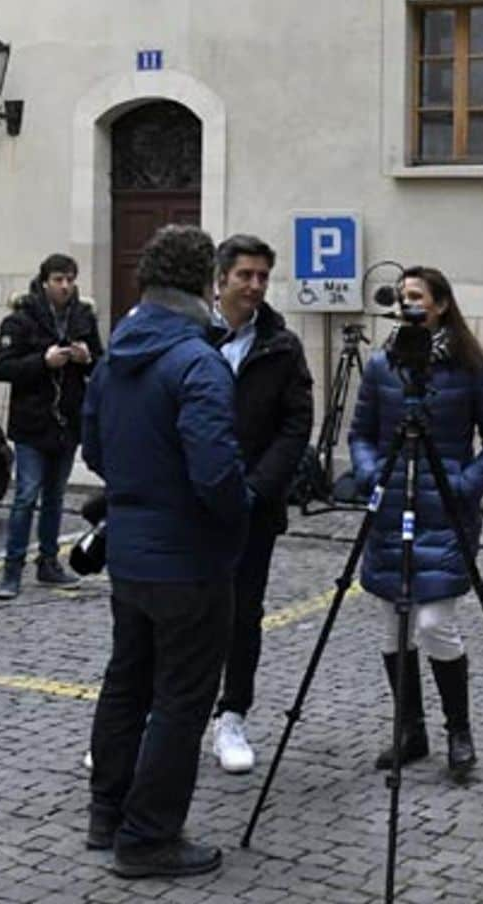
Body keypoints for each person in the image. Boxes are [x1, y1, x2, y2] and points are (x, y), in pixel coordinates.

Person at [81, 224, 248, 879]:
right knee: (181, 699)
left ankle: (108, 813)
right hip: (188, 558)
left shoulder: (117, 353)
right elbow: (214, 473)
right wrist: (240, 514)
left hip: (132, 552)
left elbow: (94, 450)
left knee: (127, 684)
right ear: (204, 282)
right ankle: (147, 837)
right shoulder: (197, 360)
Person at [349, 265, 483, 783]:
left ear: (441, 304)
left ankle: (458, 729)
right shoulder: (382, 366)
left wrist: (464, 484)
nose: (407, 305)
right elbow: (360, 434)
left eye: (417, 296)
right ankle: (409, 729)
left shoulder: (470, 368)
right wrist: (374, 474)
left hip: (446, 511)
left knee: (436, 622)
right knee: (395, 623)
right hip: (392, 509)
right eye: (402, 297)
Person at [206, 234, 314, 775]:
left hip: (253, 508)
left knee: (243, 614)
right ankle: (156, 712)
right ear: (220, 278)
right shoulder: (189, 335)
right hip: (192, 506)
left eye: (263, 277)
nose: (254, 286)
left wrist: (258, 487)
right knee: (176, 612)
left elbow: (297, 425)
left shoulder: (281, 345)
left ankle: (232, 714)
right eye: (245, 275)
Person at [0, 253, 102, 599]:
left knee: (55, 496)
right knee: (25, 496)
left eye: (70, 279)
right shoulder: (21, 319)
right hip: (31, 422)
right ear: (44, 282)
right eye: (58, 279)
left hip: (67, 421)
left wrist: (87, 359)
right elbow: (2, 367)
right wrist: (43, 361)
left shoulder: (83, 316)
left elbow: (101, 364)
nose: (65, 286)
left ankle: (49, 562)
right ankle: (12, 569)